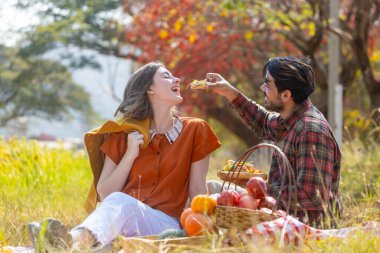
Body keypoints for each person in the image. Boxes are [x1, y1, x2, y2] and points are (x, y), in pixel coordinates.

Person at [28, 62, 221, 251]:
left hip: (165, 226)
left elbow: (198, 191)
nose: (176, 78)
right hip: (122, 223)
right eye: (166, 76)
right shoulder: (122, 134)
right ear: (150, 90)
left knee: (122, 203)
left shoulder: (195, 129)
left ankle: (68, 242)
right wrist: (129, 155)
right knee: (110, 233)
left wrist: (205, 238)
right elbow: (105, 193)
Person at [206, 56, 342, 227]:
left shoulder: (311, 131)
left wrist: (259, 189)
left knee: (217, 199)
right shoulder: (291, 118)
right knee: (212, 188)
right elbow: (263, 121)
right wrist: (229, 91)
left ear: (286, 95)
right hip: (280, 213)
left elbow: (311, 196)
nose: (262, 88)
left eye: (268, 84)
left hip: (305, 227)